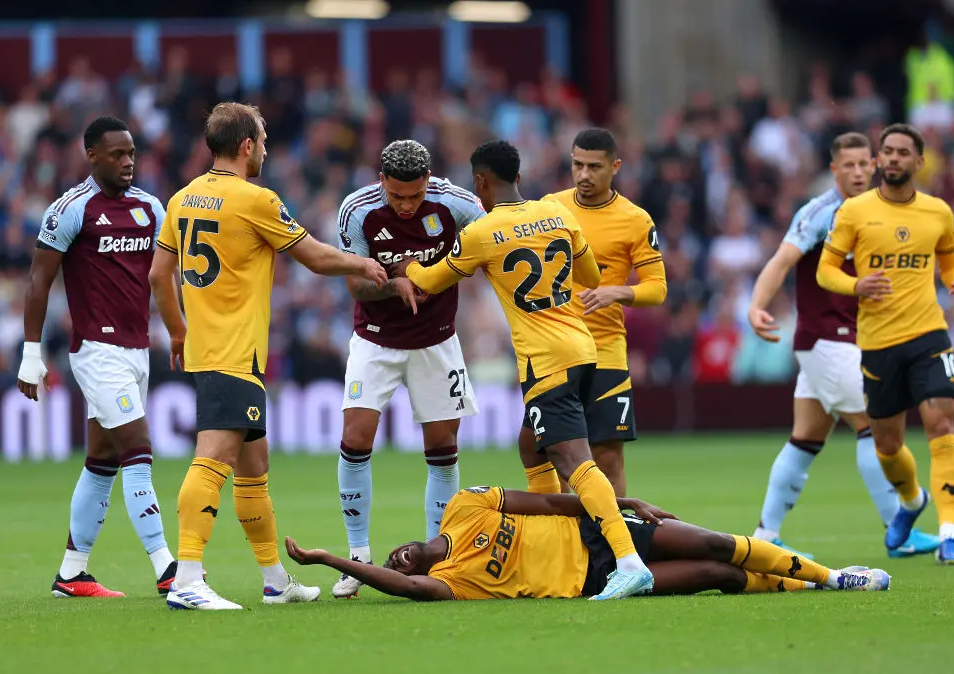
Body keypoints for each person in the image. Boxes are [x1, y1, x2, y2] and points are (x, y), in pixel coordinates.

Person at [149, 102, 388, 610]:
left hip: (214, 347)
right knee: (214, 458)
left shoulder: (182, 198)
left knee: (254, 467)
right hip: (233, 350)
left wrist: (177, 331)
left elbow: (157, 276)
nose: (266, 148)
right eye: (261, 139)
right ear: (245, 146)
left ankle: (276, 580)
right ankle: (187, 579)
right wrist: (363, 264)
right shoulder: (254, 199)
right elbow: (314, 255)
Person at [393, 140, 653, 600]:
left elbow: (431, 281)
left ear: (480, 181)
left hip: (545, 360)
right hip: (585, 347)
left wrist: (409, 267)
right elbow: (591, 277)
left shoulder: (482, 232)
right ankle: (558, 529)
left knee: (575, 461)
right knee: (531, 447)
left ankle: (628, 560)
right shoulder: (559, 214)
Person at [747, 132, 939, 559]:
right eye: (846, 166)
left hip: (850, 341)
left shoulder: (878, 212)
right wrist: (757, 306)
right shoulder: (820, 212)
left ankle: (766, 533)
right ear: (834, 170)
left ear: (873, 166)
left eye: (861, 165)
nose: (855, 172)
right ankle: (900, 530)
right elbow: (781, 260)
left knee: (805, 439)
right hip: (827, 340)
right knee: (875, 424)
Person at [17, 116, 177, 599]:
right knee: (138, 447)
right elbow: (38, 281)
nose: (128, 162)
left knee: (102, 459)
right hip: (95, 350)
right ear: (91, 156)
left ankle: (72, 573)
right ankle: (168, 568)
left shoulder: (151, 209)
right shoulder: (71, 209)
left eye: (132, 153)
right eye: (117, 155)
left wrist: (179, 331)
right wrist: (31, 353)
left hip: (137, 350)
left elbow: (167, 276)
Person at [331, 139, 486, 599]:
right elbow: (356, 284)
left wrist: (460, 266)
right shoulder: (357, 210)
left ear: (429, 181)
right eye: (396, 196)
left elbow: (492, 239)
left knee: (443, 447)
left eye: (414, 197)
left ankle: (439, 559)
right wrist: (396, 281)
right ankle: (357, 559)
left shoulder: (456, 203)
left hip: (437, 340)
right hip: (375, 340)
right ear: (381, 181)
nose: (405, 205)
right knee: (355, 439)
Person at [283, 486, 890, 600]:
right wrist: (335, 560)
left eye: (395, 552)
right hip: (593, 583)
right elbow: (406, 588)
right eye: (396, 567)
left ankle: (834, 577)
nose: (397, 560)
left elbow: (548, 501)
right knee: (721, 576)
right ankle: (791, 583)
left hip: (602, 532)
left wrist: (621, 504)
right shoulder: (454, 583)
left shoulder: (467, 505)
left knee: (711, 539)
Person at [817, 123, 954, 565]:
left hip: (929, 335)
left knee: (941, 425)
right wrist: (856, 284)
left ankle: (949, 536)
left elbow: (950, 259)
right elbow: (825, 271)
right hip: (879, 343)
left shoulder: (938, 212)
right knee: (886, 444)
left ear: (919, 162)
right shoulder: (855, 212)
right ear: (879, 160)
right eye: (888, 152)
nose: (895, 158)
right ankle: (910, 501)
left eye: (904, 152)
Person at [518, 128, 666, 498]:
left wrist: (617, 291)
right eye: (577, 165)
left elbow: (657, 288)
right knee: (559, 457)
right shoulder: (549, 208)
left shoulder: (635, 219)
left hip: (605, 351)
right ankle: (570, 547)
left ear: (615, 166)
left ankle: (614, 548)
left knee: (607, 457)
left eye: (594, 167)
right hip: (556, 350)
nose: (584, 175)